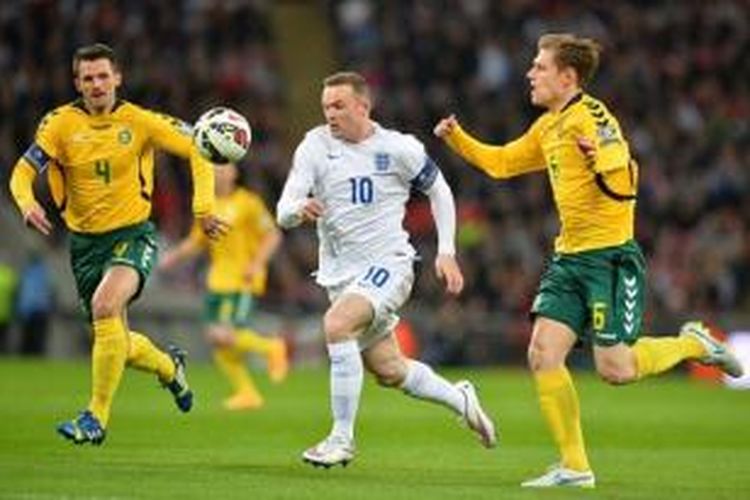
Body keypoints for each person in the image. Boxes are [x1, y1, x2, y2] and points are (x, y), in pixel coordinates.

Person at [434, 33, 744, 488]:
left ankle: (695, 343)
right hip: (569, 261)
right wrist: (457, 138)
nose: (530, 74)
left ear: (567, 77)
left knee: (615, 370)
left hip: (609, 260)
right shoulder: (547, 127)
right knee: (542, 354)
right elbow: (501, 164)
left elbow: (621, 160)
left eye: (539, 67)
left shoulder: (591, 115)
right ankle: (576, 467)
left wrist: (601, 158)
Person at [8, 43, 227, 445]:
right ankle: (168, 367)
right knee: (117, 343)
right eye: (87, 78)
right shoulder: (58, 125)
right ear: (77, 82)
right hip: (84, 246)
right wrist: (26, 202)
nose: (96, 84)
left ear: (117, 78)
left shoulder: (141, 121)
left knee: (105, 305)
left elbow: (198, 146)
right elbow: (21, 172)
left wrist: (203, 208)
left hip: (132, 236)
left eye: (102, 76)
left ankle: (95, 417)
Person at [277, 71, 497, 468]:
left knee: (336, 324)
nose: (330, 114)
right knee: (389, 370)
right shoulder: (314, 146)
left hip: (389, 265)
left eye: (339, 105)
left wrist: (446, 251)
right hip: (340, 275)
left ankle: (340, 439)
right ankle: (461, 398)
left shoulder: (399, 148)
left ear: (364, 106)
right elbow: (284, 209)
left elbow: (439, 189)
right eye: (326, 106)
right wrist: (298, 209)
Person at [160, 162, 288, 410]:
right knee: (217, 340)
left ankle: (273, 347)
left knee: (225, 334)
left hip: (242, 279)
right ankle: (247, 393)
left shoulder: (248, 202)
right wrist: (172, 258)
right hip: (218, 279)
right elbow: (196, 242)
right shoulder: (206, 207)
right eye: (215, 168)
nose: (219, 172)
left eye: (225, 168)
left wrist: (257, 263)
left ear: (235, 172)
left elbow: (273, 235)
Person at [16, 251, 54, 355]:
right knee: (33, 337)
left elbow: (25, 293)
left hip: (33, 309)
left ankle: (31, 356)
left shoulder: (28, 273)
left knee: (31, 337)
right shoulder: (41, 273)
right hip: (37, 309)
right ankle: (33, 355)